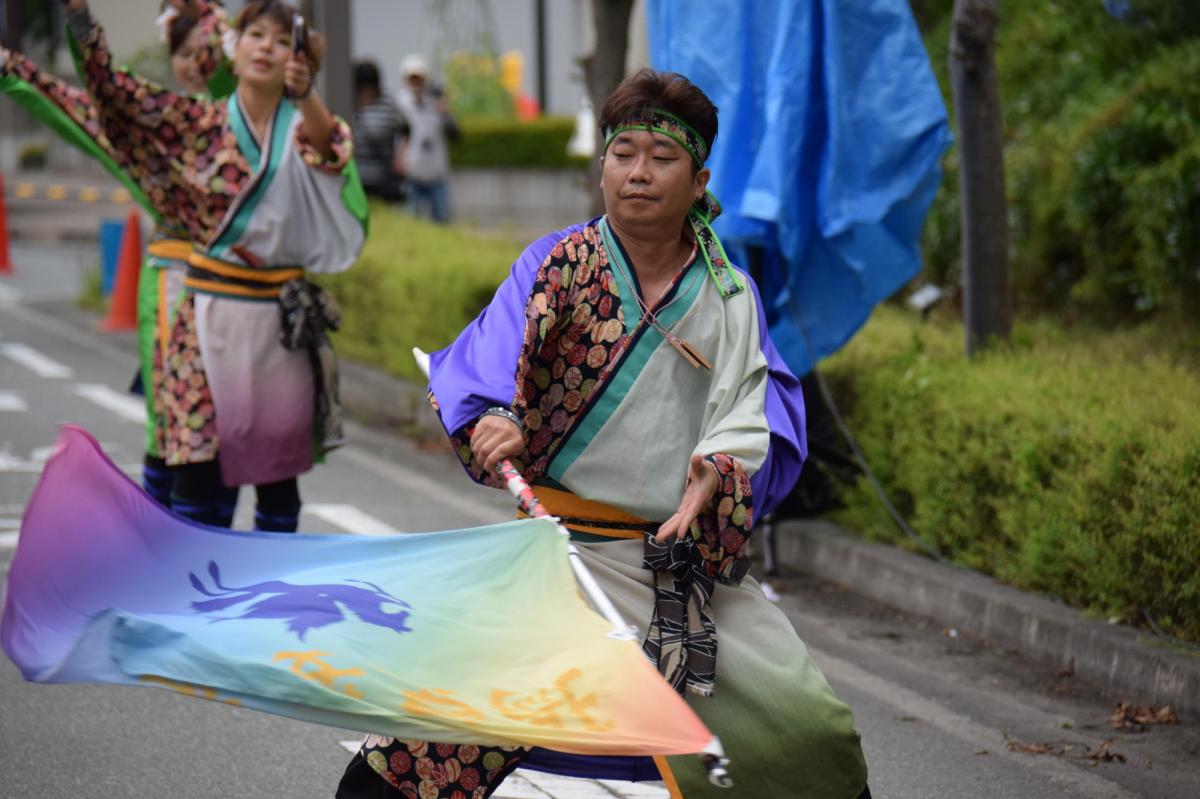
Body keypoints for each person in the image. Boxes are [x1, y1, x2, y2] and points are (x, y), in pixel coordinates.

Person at [338, 69, 870, 799]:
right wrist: (497, 414)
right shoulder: (557, 266)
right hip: (556, 566)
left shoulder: (728, 297)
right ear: (602, 166)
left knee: (810, 741)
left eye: (662, 157)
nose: (638, 173)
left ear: (699, 177)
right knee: (395, 772)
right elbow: (492, 365)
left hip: (674, 579)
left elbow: (766, 418)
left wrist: (723, 467)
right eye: (623, 154)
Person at [61, 0, 368, 532]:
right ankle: (193, 591)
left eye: (280, 40)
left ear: (299, 60)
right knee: (195, 462)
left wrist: (305, 96)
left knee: (277, 469)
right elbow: (116, 91)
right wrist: (82, 21)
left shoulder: (303, 127)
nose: (266, 47)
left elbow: (331, 152)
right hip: (203, 315)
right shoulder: (197, 121)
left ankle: (267, 593)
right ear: (234, 45)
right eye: (255, 35)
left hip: (275, 322)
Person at [0, 0, 233, 512]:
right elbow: (84, 102)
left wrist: (202, 11)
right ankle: (162, 542)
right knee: (172, 426)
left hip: (246, 289)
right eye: (183, 49)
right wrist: (15, 67)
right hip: (175, 285)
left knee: (248, 438)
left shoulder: (246, 113)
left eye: (207, 48)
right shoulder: (155, 126)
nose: (197, 60)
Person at [394, 53, 458, 224]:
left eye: (419, 78)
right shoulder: (400, 103)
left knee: (442, 221)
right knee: (411, 221)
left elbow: (455, 134)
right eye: (412, 79)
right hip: (411, 171)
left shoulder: (435, 103)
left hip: (436, 172)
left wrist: (445, 111)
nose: (416, 83)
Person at [351, 59, 407, 204]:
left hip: (383, 177)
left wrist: (400, 157)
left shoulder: (388, 102)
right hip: (355, 177)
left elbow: (406, 129)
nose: (367, 93)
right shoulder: (348, 101)